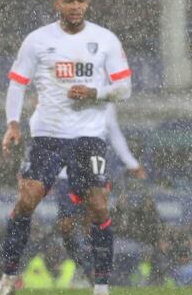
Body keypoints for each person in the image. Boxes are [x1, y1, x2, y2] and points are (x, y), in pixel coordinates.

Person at [0, 0, 132, 295]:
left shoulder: (105, 40)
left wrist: (95, 92)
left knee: (98, 207)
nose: (76, 6)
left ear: (88, 3)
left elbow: (124, 89)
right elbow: (17, 83)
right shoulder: (38, 41)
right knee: (27, 200)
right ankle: (7, 280)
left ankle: (102, 289)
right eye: (69, 0)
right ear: (57, 5)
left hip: (89, 136)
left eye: (81, 0)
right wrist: (12, 123)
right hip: (48, 135)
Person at [54, 103, 146, 284]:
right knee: (66, 226)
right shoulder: (64, 92)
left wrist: (131, 163)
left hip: (94, 169)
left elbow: (114, 133)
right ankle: (85, 266)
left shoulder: (106, 102)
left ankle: (98, 270)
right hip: (66, 173)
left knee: (94, 218)